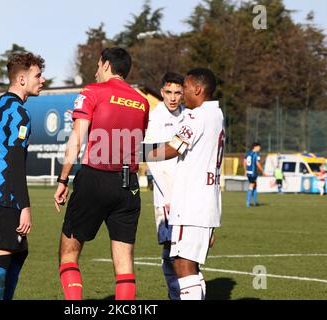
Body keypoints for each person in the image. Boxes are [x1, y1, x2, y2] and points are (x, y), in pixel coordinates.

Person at [53, 47, 149, 300]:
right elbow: (137, 142)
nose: (96, 70)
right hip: (129, 183)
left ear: (106, 65)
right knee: (124, 262)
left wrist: (63, 180)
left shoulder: (92, 92)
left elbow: (76, 139)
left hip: (95, 177)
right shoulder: (141, 101)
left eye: (98, 65)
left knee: (69, 253)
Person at [145, 68, 224, 300]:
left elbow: (174, 147)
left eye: (185, 89)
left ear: (197, 89)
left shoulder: (196, 115)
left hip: (191, 204)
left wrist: (135, 152)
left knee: (182, 265)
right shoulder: (217, 115)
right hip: (207, 201)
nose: (181, 95)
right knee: (184, 262)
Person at [0, 52, 45, 300]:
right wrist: (24, 206)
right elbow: (15, 161)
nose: (42, 80)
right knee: (1, 258)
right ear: (22, 79)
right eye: (38, 75)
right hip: (3, 195)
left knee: (18, 252)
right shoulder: (19, 113)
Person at [144, 72, 186, 300]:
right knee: (170, 245)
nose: (173, 97)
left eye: (177, 93)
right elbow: (152, 158)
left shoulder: (187, 115)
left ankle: (186, 290)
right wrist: (169, 194)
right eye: (168, 92)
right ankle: (175, 293)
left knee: (185, 246)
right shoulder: (155, 117)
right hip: (167, 196)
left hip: (186, 193)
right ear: (161, 92)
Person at [244, 142, 264, 207]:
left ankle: (255, 202)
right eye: (259, 147)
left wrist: (245, 170)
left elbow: (244, 162)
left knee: (254, 185)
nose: (259, 148)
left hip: (248, 172)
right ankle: (248, 203)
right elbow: (257, 164)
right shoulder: (256, 154)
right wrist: (263, 171)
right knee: (252, 185)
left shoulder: (248, 153)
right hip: (253, 172)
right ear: (255, 147)